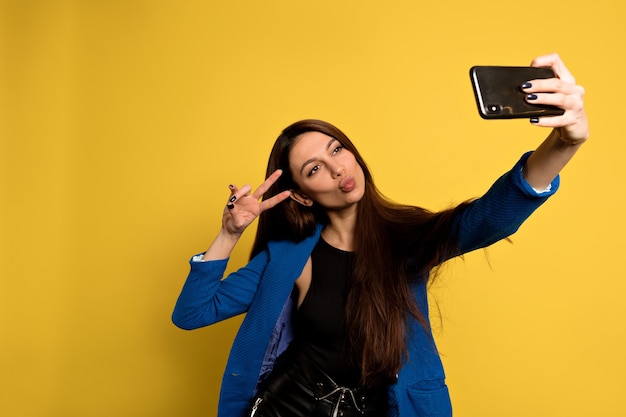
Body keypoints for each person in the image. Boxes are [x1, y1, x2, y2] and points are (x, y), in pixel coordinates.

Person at [172, 53, 588, 417]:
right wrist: (228, 234)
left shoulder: (407, 239)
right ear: (300, 195)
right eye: (314, 169)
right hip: (287, 406)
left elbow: (488, 219)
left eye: (336, 150)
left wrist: (564, 142)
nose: (336, 169)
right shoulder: (288, 257)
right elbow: (192, 314)